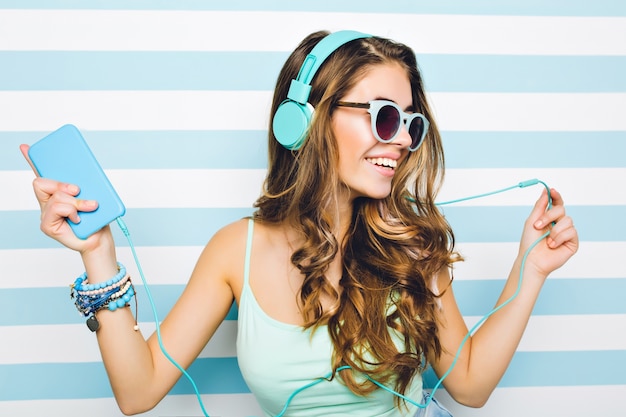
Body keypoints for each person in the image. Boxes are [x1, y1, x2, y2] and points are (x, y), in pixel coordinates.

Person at [20, 30, 578, 417]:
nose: (404, 139)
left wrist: (529, 272)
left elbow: (471, 387)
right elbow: (138, 392)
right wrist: (97, 254)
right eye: (384, 116)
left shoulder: (408, 244)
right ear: (303, 120)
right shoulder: (233, 250)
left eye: (411, 122)